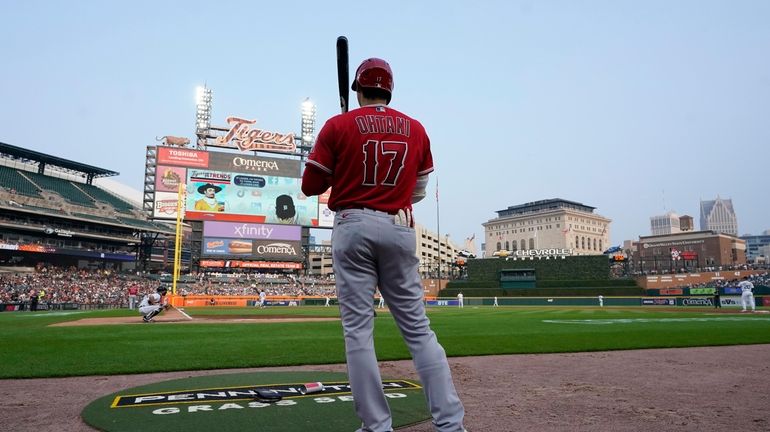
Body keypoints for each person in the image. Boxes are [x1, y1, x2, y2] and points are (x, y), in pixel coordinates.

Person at [301, 57, 465, 432]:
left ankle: (376, 426)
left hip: (352, 224)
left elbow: (311, 187)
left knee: (359, 331)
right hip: (399, 224)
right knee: (419, 330)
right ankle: (451, 425)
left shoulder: (338, 125)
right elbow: (417, 191)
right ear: (389, 90)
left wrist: (343, 162)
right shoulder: (416, 128)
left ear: (358, 89)